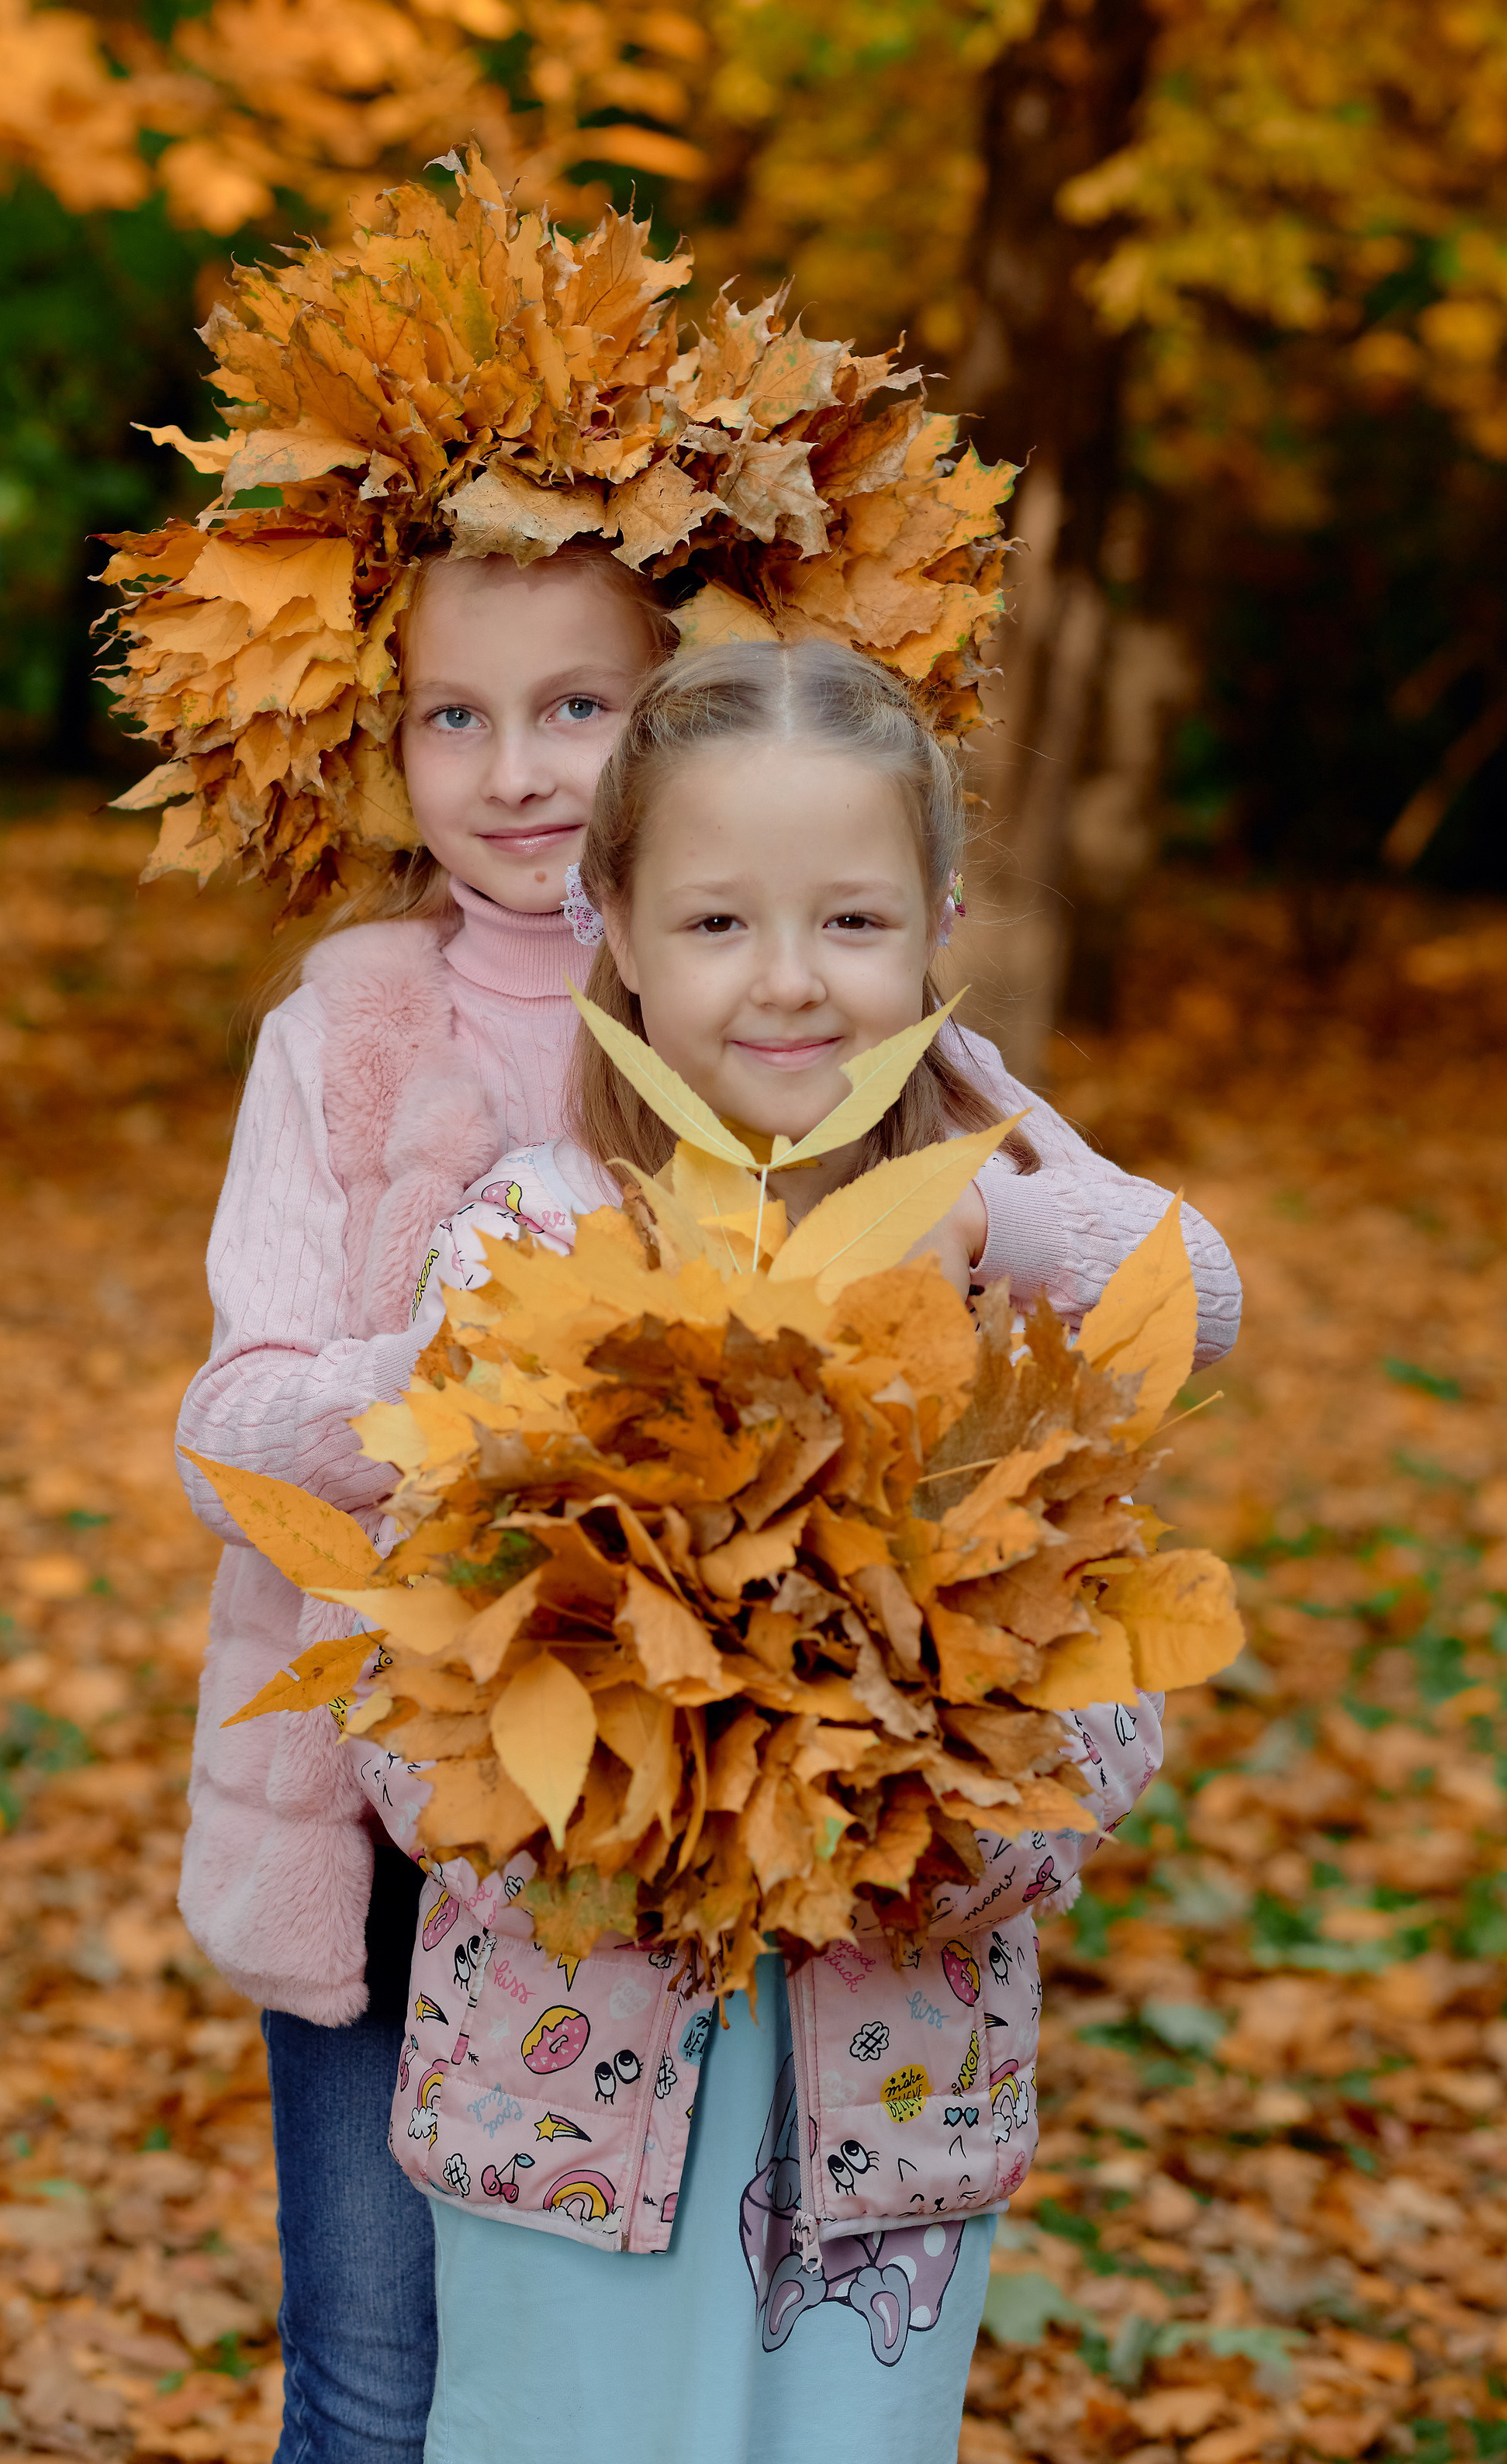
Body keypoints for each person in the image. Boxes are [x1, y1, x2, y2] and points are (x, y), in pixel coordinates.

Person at [369, 637, 1243, 2464]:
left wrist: (951, 1825)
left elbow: (1105, 1688)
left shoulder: (996, 1282)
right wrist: (622, 1801)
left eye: (851, 922)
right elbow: (411, 1675)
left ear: (935, 929)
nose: (787, 981)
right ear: (614, 925)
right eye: (715, 924)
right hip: (568, 2087)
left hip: (892, 2101)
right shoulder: (529, 1246)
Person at [174, 542, 670, 2463]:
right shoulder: (346, 1043)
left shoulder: (752, 986)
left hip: (666, 1804)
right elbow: (234, 1431)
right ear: (387, 748)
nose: (516, 769)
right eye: (455, 716)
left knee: (605, 2401)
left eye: (577, 707)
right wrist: (473, 1380)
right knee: (378, 2380)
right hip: (382, 1802)